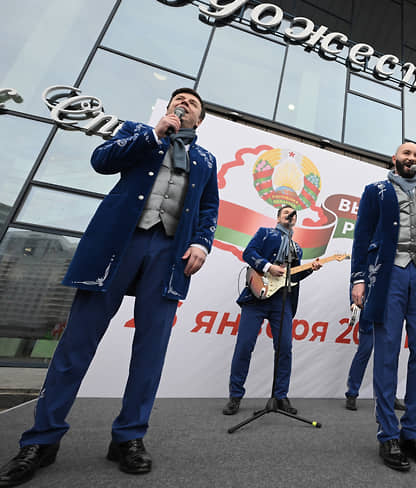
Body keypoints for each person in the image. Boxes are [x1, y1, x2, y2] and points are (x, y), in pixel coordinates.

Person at [0, 88, 219, 486]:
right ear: (168, 108)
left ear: (200, 121)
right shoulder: (139, 132)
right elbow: (101, 160)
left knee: (150, 351)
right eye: (179, 99)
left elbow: (208, 207)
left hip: (168, 254)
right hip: (119, 245)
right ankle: (42, 440)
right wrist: (154, 135)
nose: (184, 105)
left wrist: (202, 242)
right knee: (76, 344)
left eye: (193, 104)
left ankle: (129, 438)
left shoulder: (206, 159)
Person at [350, 142, 416, 471]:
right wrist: (357, 279)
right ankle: (388, 434)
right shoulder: (375, 190)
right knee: (386, 351)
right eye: (406, 154)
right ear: (394, 159)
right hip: (388, 275)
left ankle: (413, 432)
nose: (412, 158)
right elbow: (361, 235)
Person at [222, 206, 320, 416]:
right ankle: (235, 396)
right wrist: (267, 267)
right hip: (256, 298)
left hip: (282, 301)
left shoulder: (297, 249)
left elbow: (292, 277)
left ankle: (280, 396)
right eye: (287, 212)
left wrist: (310, 270)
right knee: (244, 346)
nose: (291, 216)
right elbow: (248, 253)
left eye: (294, 214)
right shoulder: (264, 233)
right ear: (278, 217)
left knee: (285, 347)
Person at [344, 319, 406, 412]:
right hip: (370, 318)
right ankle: (352, 394)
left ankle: (390, 397)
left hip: (390, 318)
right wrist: (353, 304)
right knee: (363, 353)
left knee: (390, 357)